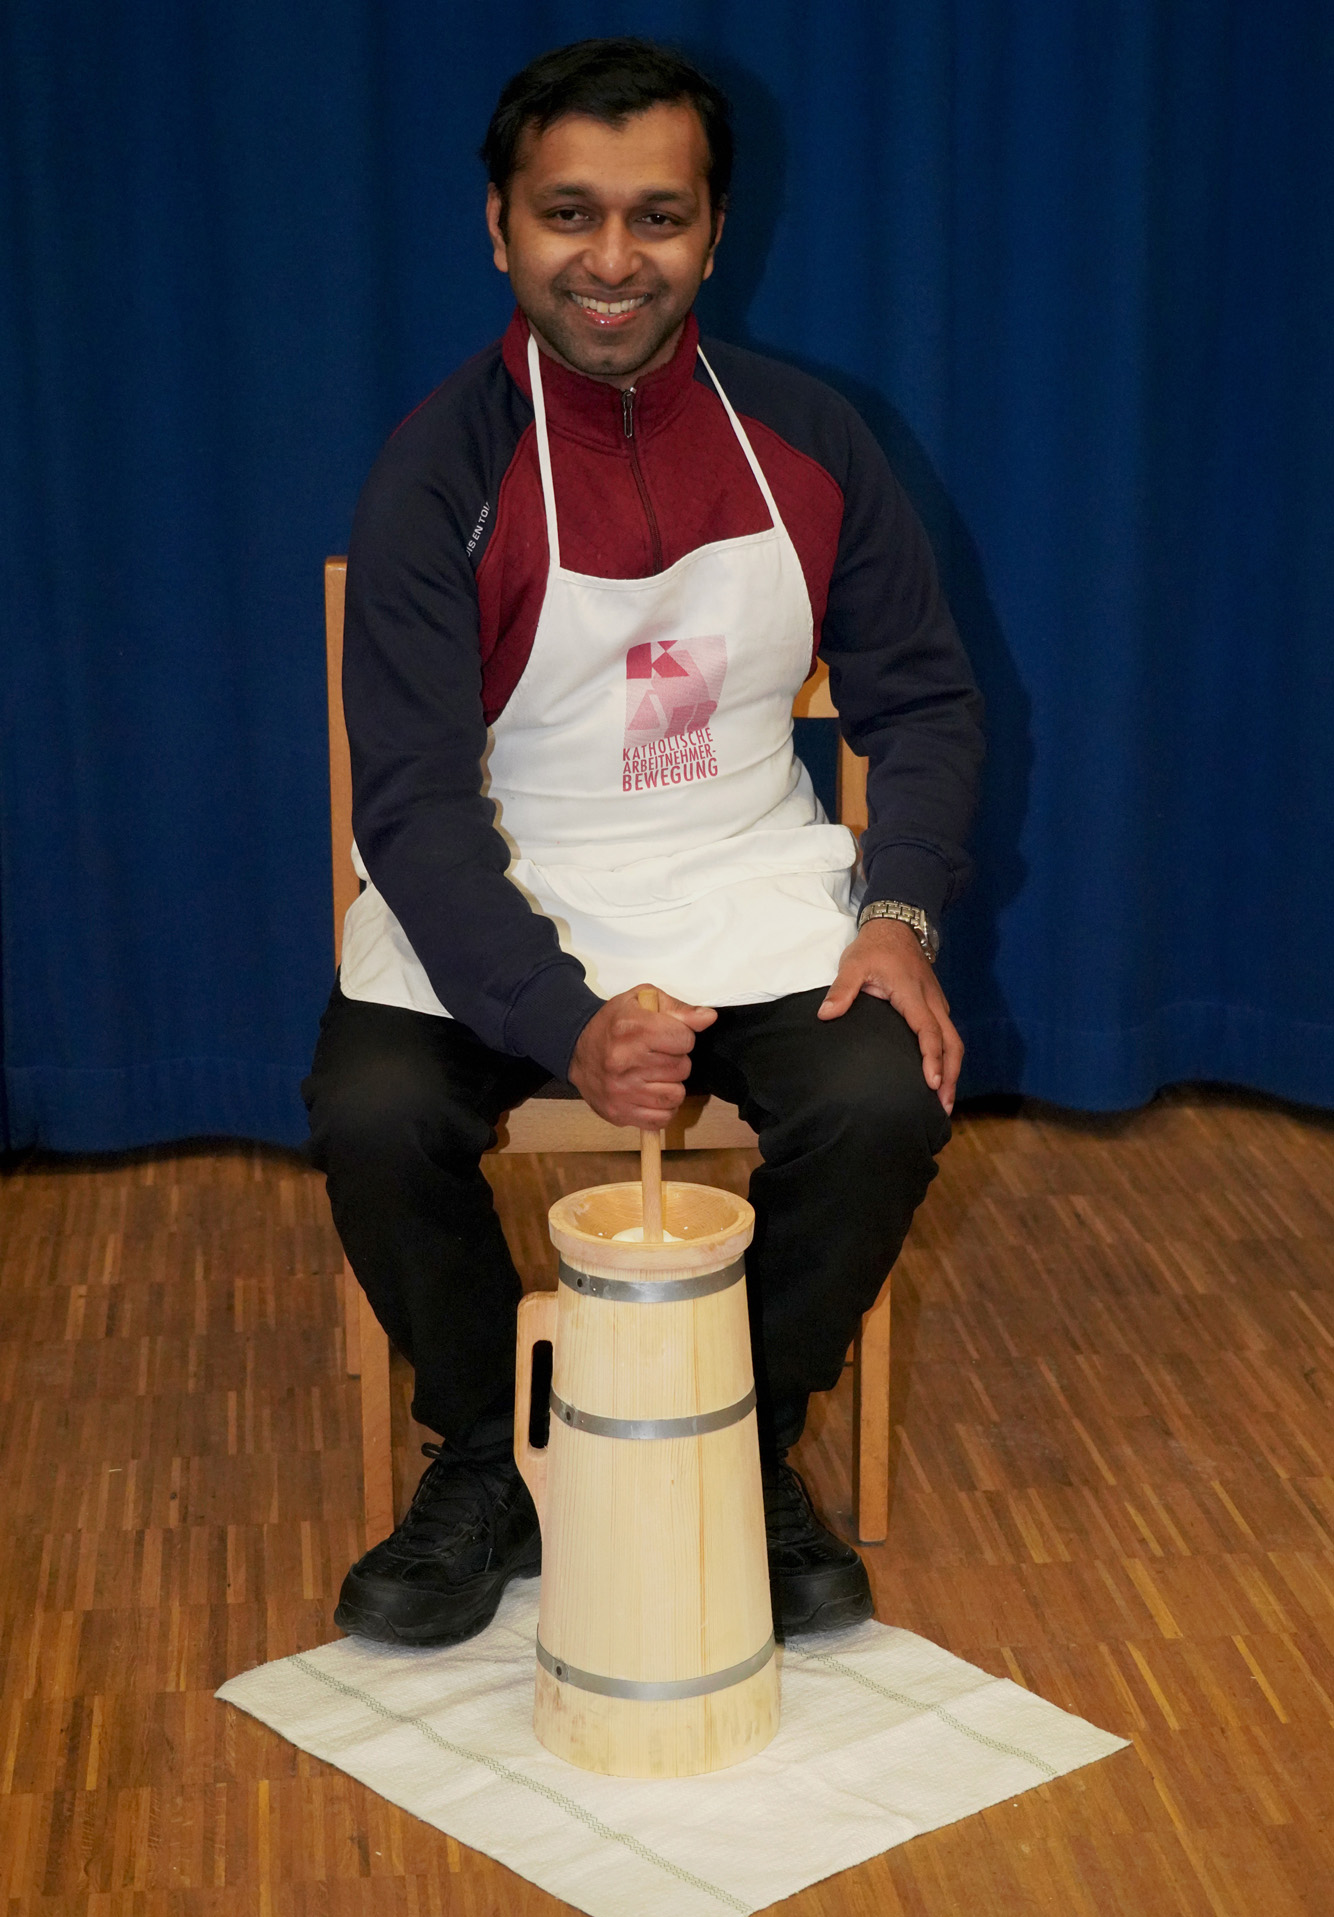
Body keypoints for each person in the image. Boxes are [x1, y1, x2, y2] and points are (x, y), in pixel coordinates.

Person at [304, 37, 983, 1650]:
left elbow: (925, 701)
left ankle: (736, 1439)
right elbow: (410, 801)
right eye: (569, 213)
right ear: (498, 227)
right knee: (375, 1109)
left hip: (741, 868)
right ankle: (494, 1453)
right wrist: (564, 1024)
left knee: (880, 1095)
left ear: (712, 232)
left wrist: (897, 914)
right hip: (497, 878)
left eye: (656, 217)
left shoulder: (811, 438)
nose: (611, 259)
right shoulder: (437, 471)